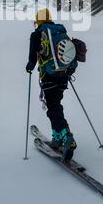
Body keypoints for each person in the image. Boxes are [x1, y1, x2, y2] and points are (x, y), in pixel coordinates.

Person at [26, 8, 77, 161]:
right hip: (64, 74)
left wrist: (29, 66)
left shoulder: (37, 33)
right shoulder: (60, 31)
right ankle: (57, 136)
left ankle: (67, 137)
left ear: (38, 21)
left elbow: (32, 58)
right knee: (55, 105)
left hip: (49, 75)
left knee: (53, 106)